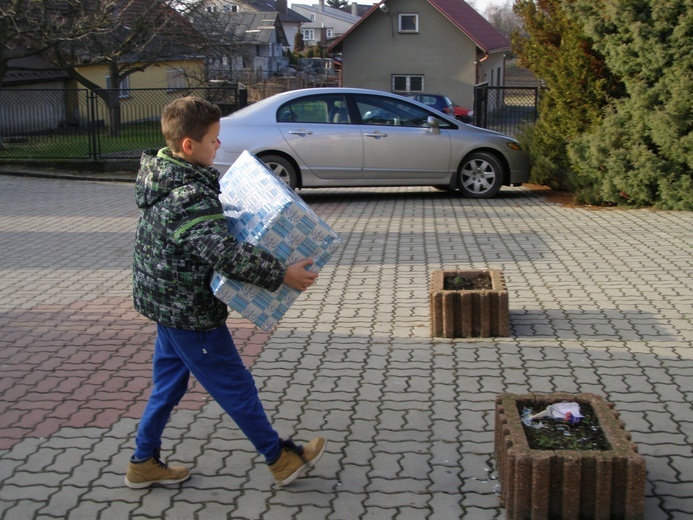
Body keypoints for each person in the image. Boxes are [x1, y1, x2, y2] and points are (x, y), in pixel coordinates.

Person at [125, 96, 325, 489]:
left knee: (169, 385)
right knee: (234, 385)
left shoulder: (166, 175)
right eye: (214, 139)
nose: (218, 146)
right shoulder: (188, 194)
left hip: (169, 303)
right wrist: (280, 273)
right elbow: (223, 253)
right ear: (188, 146)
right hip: (189, 310)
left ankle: (143, 461)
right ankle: (279, 457)